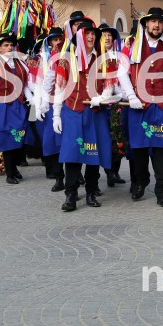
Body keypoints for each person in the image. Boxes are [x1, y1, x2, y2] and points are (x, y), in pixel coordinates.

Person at [118, 7, 163, 208]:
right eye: (153, 21)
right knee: (139, 148)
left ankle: (162, 191)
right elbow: (122, 72)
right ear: (145, 24)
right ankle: (141, 181)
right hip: (139, 104)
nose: (156, 25)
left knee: (160, 148)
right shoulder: (131, 44)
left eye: (160, 22)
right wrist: (131, 96)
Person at [52, 19, 114, 211]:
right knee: (72, 155)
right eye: (87, 33)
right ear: (79, 36)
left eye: (93, 33)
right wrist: (56, 114)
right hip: (73, 112)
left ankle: (91, 192)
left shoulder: (103, 59)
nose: (91, 36)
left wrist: (101, 98)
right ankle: (70, 195)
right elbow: (60, 88)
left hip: (95, 113)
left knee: (93, 153)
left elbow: (109, 85)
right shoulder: (66, 59)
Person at [0, 32, 34, 185]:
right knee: (7, 140)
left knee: (20, 137)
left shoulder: (20, 64)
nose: (10, 47)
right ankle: (10, 173)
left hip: (18, 106)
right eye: (6, 45)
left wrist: (32, 99)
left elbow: (25, 85)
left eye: (11, 45)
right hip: (2, 107)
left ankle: (14, 167)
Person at [36, 27, 66, 191]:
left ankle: (76, 174)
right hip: (54, 103)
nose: (58, 42)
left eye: (60, 39)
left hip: (71, 103)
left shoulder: (71, 54)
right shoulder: (48, 58)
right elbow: (46, 82)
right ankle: (58, 176)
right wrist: (43, 103)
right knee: (54, 141)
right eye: (55, 40)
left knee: (70, 140)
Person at [98, 22, 128, 188]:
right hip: (101, 104)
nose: (107, 38)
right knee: (105, 139)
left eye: (109, 35)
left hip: (118, 102)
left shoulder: (119, 57)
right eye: (104, 35)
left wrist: (124, 94)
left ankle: (114, 172)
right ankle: (108, 171)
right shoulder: (96, 57)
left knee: (118, 138)